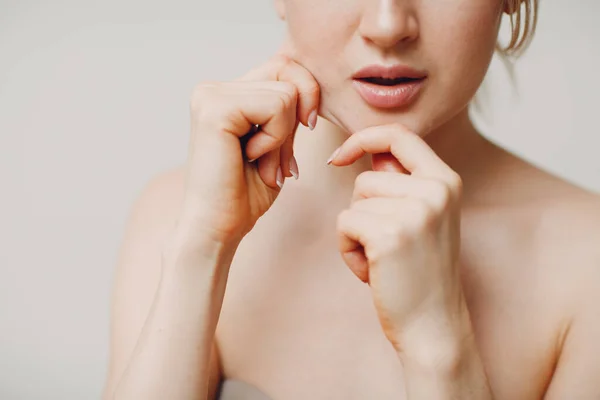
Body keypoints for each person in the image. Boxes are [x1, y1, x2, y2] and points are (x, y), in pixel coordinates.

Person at [102, 0, 600, 398]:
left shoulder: (587, 263)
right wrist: (203, 246)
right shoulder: (178, 214)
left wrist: (437, 342)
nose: (388, 25)